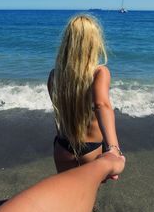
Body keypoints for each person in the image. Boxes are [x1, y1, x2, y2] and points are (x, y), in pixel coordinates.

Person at [0, 151, 125, 212]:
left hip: (62, 144)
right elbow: (102, 104)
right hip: (92, 146)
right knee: (84, 190)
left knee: (69, 195)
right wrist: (106, 163)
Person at [48, 15, 122, 174]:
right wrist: (113, 148)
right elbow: (102, 104)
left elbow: (58, 115)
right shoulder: (99, 72)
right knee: (87, 195)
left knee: (67, 191)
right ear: (94, 43)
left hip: (62, 146)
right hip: (91, 149)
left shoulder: (54, 75)